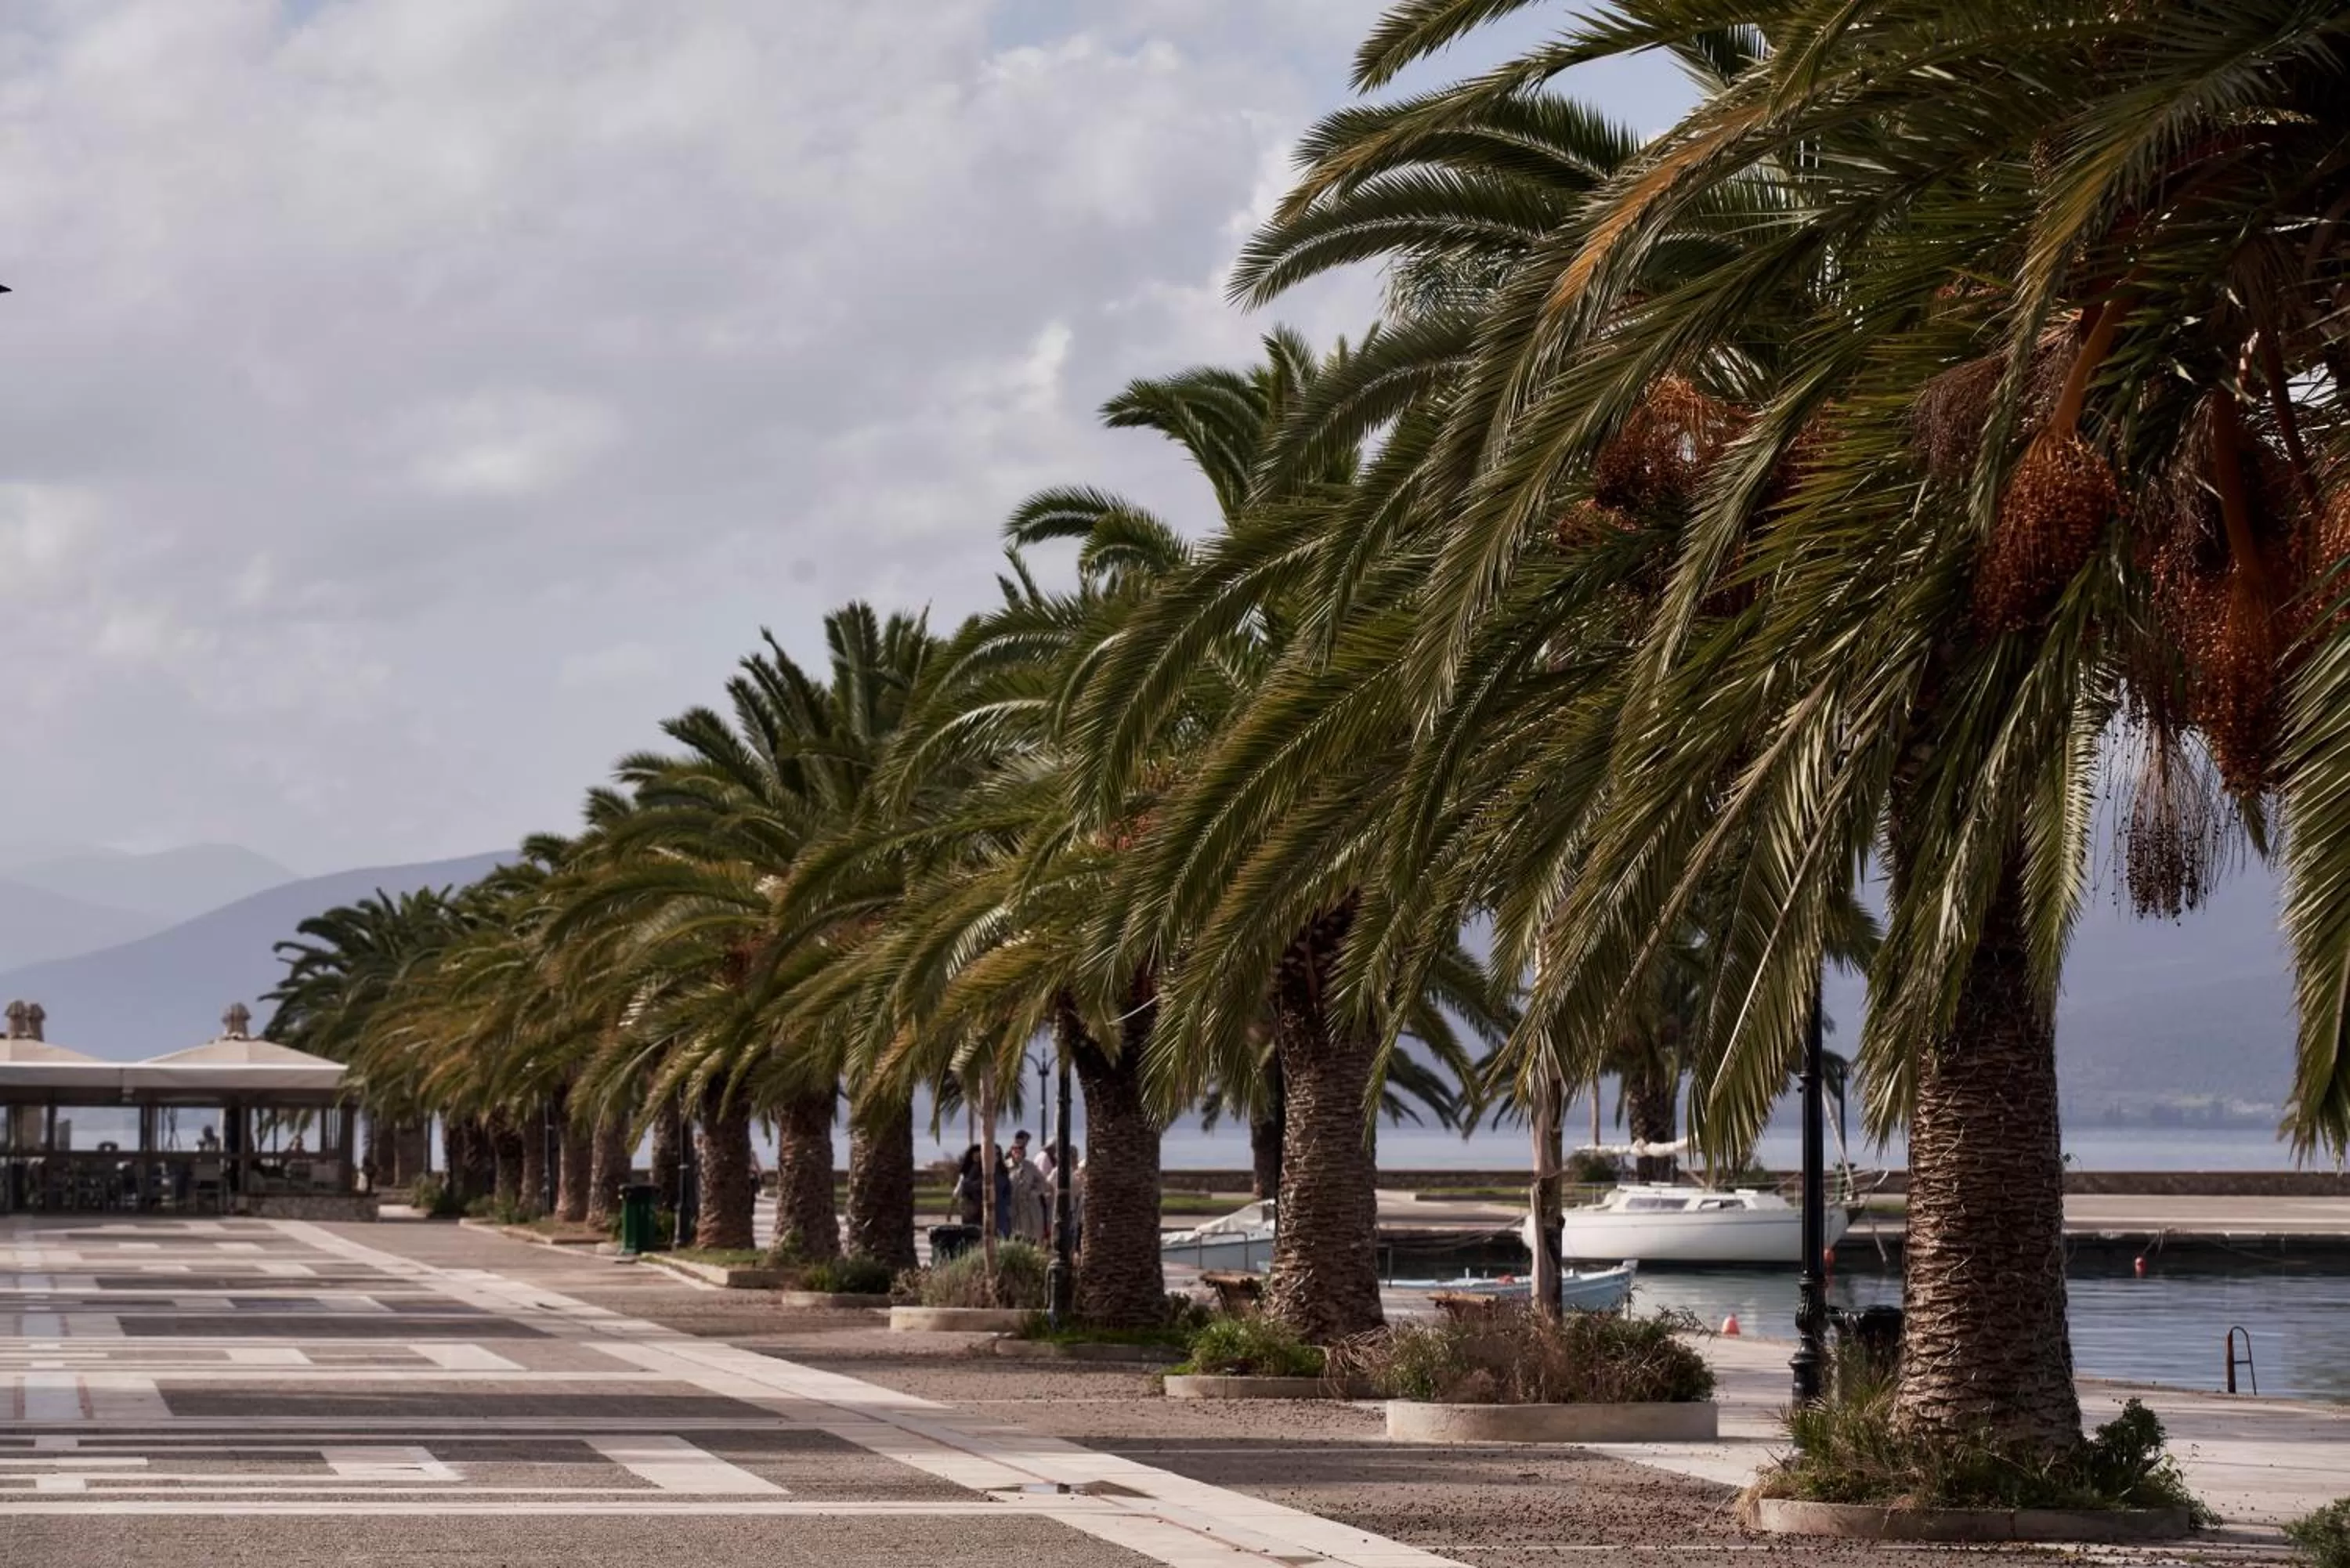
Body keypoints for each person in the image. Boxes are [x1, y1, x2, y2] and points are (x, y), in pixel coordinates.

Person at [1007, 1133, 1048, 1244]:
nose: (1017, 1151)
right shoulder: (1005, 1167)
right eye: (1014, 1148)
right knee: (1013, 1235)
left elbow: (1044, 1183)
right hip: (1013, 1206)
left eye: (1020, 1148)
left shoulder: (1030, 1166)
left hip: (1029, 1207)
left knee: (1029, 1235)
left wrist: (1035, 1192)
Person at [953, 1144, 985, 1227]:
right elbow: (958, 1188)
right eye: (975, 1155)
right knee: (967, 1227)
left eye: (979, 1155)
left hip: (980, 1203)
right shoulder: (966, 1169)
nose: (977, 1157)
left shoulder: (984, 1170)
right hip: (967, 1204)